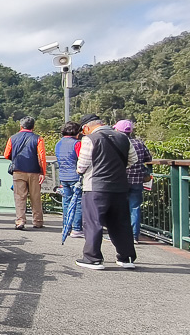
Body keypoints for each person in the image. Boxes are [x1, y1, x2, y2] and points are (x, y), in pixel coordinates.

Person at [74, 114, 137, 270]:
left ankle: (93, 258)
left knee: (93, 222)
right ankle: (126, 258)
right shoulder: (123, 138)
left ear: (86, 127)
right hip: (120, 187)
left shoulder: (90, 139)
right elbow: (132, 160)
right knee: (121, 223)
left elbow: (82, 165)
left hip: (96, 187)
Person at [3, 117, 47, 230]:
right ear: (33, 126)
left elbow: (6, 154)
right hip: (34, 171)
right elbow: (41, 157)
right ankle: (37, 221)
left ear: (20, 126)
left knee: (19, 197)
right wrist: (43, 172)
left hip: (18, 170)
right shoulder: (38, 138)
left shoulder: (12, 138)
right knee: (35, 197)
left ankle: (20, 221)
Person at [114, 120, 153, 243]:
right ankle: (134, 236)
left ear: (117, 130)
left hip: (119, 180)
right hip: (137, 180)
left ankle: (118, 235)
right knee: (134, 208)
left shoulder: (115, 143)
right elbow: (148, 158)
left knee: (118, 207)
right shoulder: (138, 143)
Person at [55, 121, 84, 238]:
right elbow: (81, 159)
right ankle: (76, 229)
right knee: (77, 203)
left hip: (63, 177)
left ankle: (66, 227)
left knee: (66, 202)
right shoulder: (77, 144)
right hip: (75, 177)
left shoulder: (58, 144)